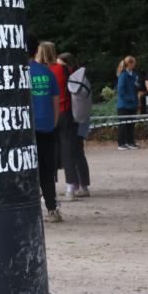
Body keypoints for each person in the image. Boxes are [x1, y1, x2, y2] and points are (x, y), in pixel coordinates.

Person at [37, 41, 79, 200]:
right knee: (67, 151)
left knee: (48, 153)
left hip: (47, 114)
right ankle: (70, 188)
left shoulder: (40, 71)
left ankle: (48, 189)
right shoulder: (63, 69)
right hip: (65, 112)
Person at [29, 36, 62, 222]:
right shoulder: (48, 73)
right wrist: (53, 123)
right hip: (47, 128)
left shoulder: (19, 73)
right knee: (47, 171)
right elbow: (55, 103)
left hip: (26, 131)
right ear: (36, 51)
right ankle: (52, 208)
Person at [58, 52, 91, 197]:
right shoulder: (82, 77)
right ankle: (84, 185)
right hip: (82, 117)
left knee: (72, 152)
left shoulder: (70, 79)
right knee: (79, 152)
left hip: (72, 118)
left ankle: (76, 185)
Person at [115, 56, 140, 150]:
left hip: (132, 104)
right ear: (129, 63)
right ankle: (121, 143)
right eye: (134, 63)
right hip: (124, 105)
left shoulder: (134, 74)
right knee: (123, 124)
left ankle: (130, 142)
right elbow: (120, 90)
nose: (135, 64)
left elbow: (136, 86)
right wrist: (129, 98)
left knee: (131, 124)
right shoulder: (123, 75)